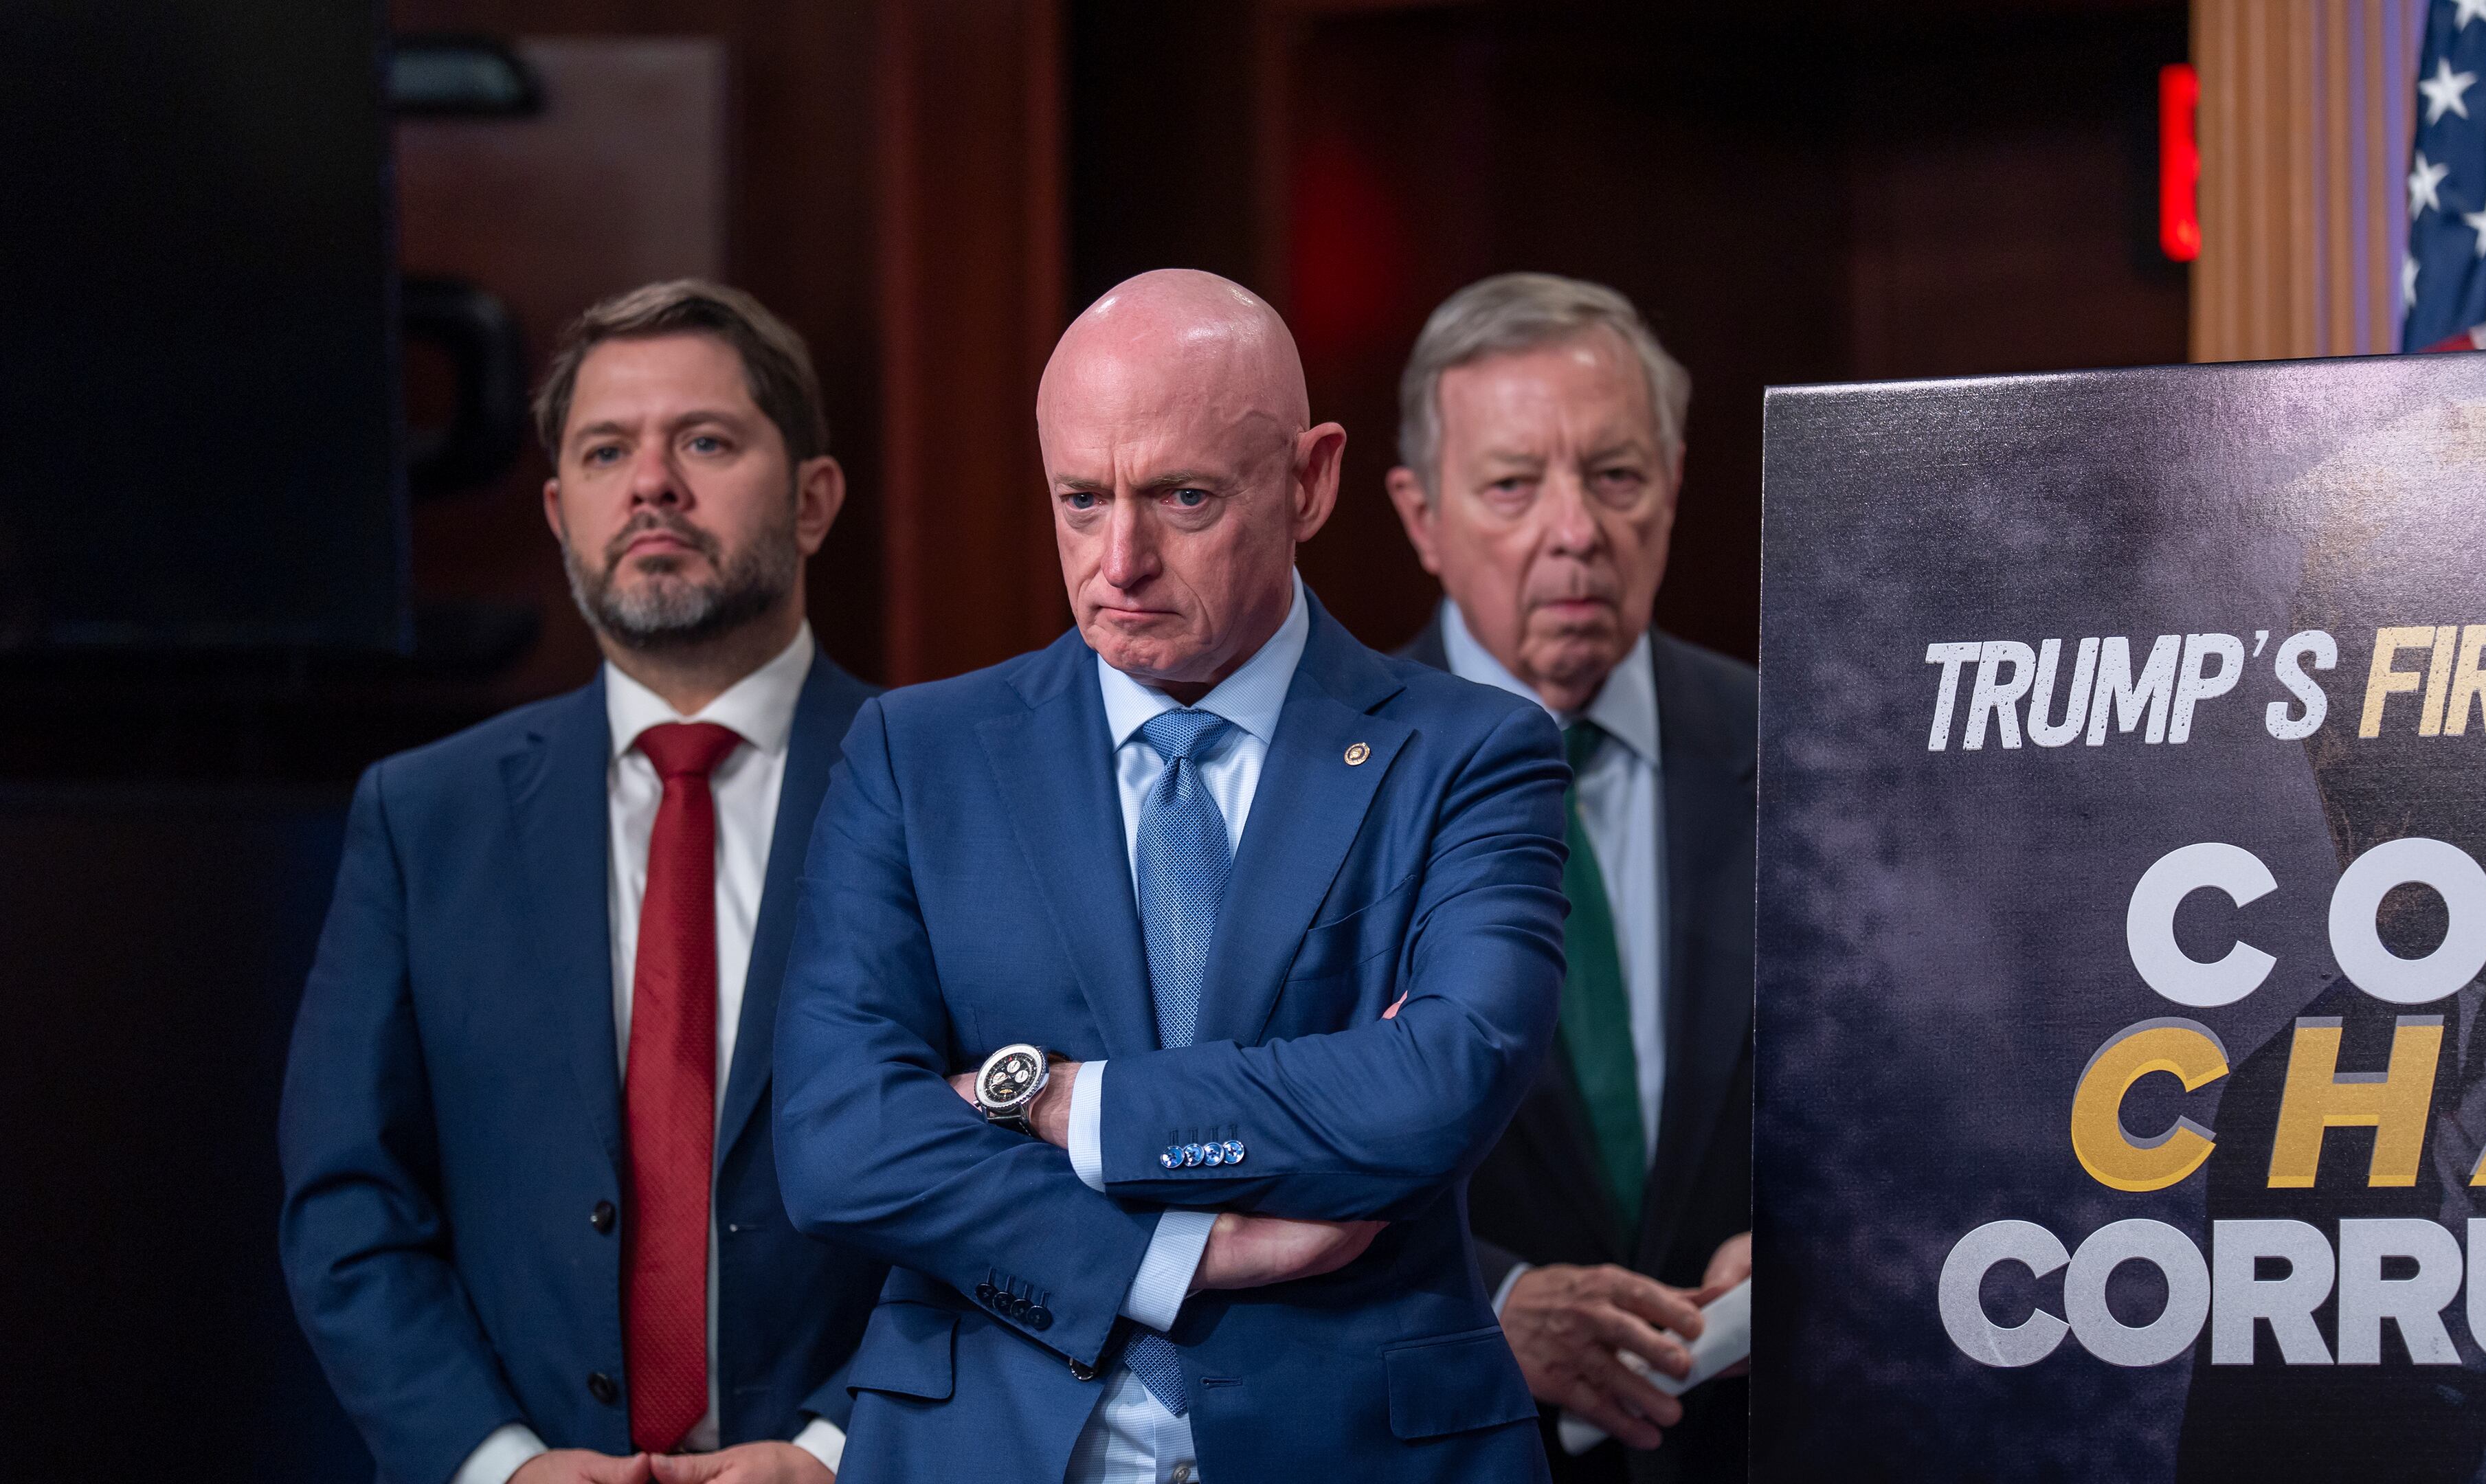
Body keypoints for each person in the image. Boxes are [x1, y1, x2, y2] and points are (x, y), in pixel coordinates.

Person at [771, 268, 1567, 1483]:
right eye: (1081, 500)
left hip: (1364, 1447)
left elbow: (1439, 1085)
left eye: (1182, 498)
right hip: (989, 1442)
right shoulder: (915, 754)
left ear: (1311, 481)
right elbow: (838, 1138)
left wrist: (1057, 1103)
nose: (1120, 560)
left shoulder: (1473, 751)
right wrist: (1175, 1258)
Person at [280, 281, 886, 1484]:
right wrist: (497, 1464)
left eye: (705, 441)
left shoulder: (950, 792)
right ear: (562, 514)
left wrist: (837, 1448)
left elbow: (1009, 1190)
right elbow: (351, 1208)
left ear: (814, 501)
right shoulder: (423, 819)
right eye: (608, 451)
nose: (652, 483)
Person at [1385, 273, 1755, 1483]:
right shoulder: (1317, 786)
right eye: (1510, 485)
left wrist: (1822, 1235)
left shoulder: (1805, 747)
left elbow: (1912, 1080)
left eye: (1615, 476)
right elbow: (1247, 1155)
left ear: (1675, 483)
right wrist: (1491, 1299)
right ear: (1421, 516)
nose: (1576, 531)